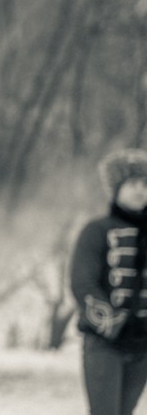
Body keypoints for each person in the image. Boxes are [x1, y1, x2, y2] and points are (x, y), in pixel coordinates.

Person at [71, 149, 147, 415]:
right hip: (105, 344)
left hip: (143, 344)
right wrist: (113, 324)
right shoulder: (97, 231)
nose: (141, 190)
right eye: (133, 183)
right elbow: (82, 284)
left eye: (145, 184)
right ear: (116, 188)